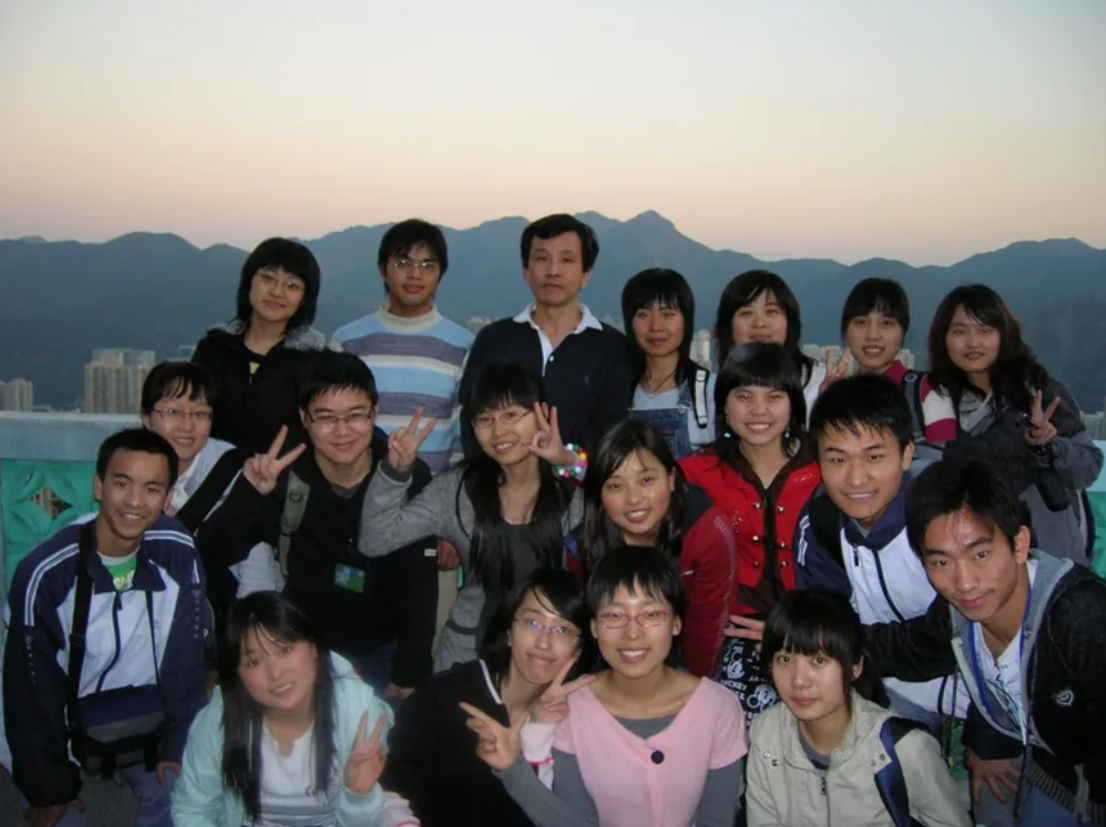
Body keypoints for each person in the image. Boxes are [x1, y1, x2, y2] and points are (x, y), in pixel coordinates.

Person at [854, 456, 1106, 827]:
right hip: (1050, 768)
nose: (965, 582)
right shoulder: (958, 615)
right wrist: (816, 641)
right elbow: (907, 648)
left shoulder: (1083, 620)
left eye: (981, 554)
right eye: (941, 562)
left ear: (1020, 544)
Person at [195, 352, 437, 700]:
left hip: (384, 649)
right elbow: (210, 553)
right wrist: (249, 494)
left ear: (375, 412)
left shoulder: (405, 472)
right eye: (325, 417)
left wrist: (410, 671)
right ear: (304, 418)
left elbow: (420, 580)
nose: (342, 431)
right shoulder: (283, 473)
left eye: (356, 415)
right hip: (303, 651)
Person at [3, 428, 207, 827]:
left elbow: (186, 660)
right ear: (98, 487)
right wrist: (48, 788)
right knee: (61, 817)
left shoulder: (177, 551)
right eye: (122, 483)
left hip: (141, 718)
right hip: (59, 725)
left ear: (167, 498)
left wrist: (176, 747)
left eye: (151, 489)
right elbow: (30, 691)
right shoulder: (46, 573)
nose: (135, 501)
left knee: (182, 802)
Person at [465, 546, 747, 827]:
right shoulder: (572, 708)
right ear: (594, 628)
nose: (632, 633)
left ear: (676, 623)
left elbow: (717, 820)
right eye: (614, 615)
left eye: (651, 614)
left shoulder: (717, 708)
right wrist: (514, 770)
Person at [360, 362, 584, 672]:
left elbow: (613, 489)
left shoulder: (569, 484)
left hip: (552, 654)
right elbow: (375, 540)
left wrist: (567, 459)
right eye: (485, 419)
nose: (499, 431)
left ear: (542, 413)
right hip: (468, 655)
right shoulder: (457, 489)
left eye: (512, 415)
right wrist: (394, 473)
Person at [795, 374, 969, 731]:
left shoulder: (947, 518)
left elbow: (954, 636)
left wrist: (851, 645)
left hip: (989, 699)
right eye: (837, 460)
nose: (856, 478)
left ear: (906, 454)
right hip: (889, 696)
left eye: (874, 456)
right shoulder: (821, 524)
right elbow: (828, 624)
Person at [330, 218, 475, 642]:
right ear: (383, 268)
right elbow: (329, 430)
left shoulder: (462, 346)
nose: (415, 274)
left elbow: (464, 441)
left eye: (428, 265)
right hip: (352, 513)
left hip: (429, 518)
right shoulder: (347, 342)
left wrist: (452, 527)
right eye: (403, 262)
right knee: (348, 634)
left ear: (441, 274)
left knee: (426, 643)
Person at [171, 591, 418, 826]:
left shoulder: (359, 715)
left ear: (313, 648)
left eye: (285, 650)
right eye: (254, 661)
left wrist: (357, 796)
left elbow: (373, 814)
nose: (275, 673)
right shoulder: (219, 720)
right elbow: (193, 810)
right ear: (238, 673)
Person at [383, 569, 593, 827]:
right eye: (532, 623)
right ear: (508, 631)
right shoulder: (446, 695)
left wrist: (539, 730)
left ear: (579, 648)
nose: (544, 643)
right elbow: (392, 785)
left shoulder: (576, 719)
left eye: (562, 630)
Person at [680, 343, 821, 725]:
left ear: (793, 405)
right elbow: (629, 484)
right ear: (724, 406)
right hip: (731, 639)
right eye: (744, 396)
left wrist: (791, 632)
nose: (759, 410)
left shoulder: (823, 469)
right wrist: (567, 461)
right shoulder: (696, 473)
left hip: (814, 633)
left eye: (774, 397)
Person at [745, 590, 971, 827]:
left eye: (819, 661)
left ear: (855, 667)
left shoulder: (906, 750)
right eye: (785, 659)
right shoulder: (766, 732)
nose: (799, 680)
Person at [928, 284, 1102, 564]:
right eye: (960, 331)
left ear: (1003, 335)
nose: (973, 342)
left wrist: (1051, 445)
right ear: (943, 338)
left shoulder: (1038, 392)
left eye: (985, 330)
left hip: (1050, 559)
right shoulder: (935, 402)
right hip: (977, 560)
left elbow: (1088, 468)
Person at [456, 213, 634, 458]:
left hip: (584, 481)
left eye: (566, 260)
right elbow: (472, 418)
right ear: (526, 272)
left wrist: (568, 462)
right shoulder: (494, 340)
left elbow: (610, 432)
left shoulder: (613, 348)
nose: (553, 271)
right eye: (542, 259)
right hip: (499, 480)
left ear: (586, 274)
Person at [576, 419, 736, 678]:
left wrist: (693, 690)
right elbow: (582, 635)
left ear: (671, 479)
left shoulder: (706, 532)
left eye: (646, 480)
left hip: (684, 651)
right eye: (615, 486)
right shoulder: (583, 545)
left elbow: (706, 627)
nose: (634, 499)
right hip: (609, 655)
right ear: (600, 496)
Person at [193, 237, 326, 455]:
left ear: (304, 298)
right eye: (268, 278)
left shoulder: (316, 361)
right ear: (249, 282)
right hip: (214, 473)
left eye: (291, 285)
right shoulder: (213, 349)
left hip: (287, 475)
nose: (277, 292)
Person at [840, 277, 956, 472]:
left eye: (886, 323)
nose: (872, 335)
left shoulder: (927, 391)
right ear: (846, 331)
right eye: (860, 322)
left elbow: (944, 465)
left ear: (904, 332)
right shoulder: (837, 395)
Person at [714, 270, 839, 420]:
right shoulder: (711, 389)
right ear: (728, 326)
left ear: (789, 321)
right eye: (746, 313)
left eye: (771, 312)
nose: (759, 323)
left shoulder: (820, 383)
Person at [622, 268, 715, 459]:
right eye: (643, 315)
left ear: (686, 320)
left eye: (667, 314)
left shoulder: (710, 390)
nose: (655, 326)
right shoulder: (618, 392)